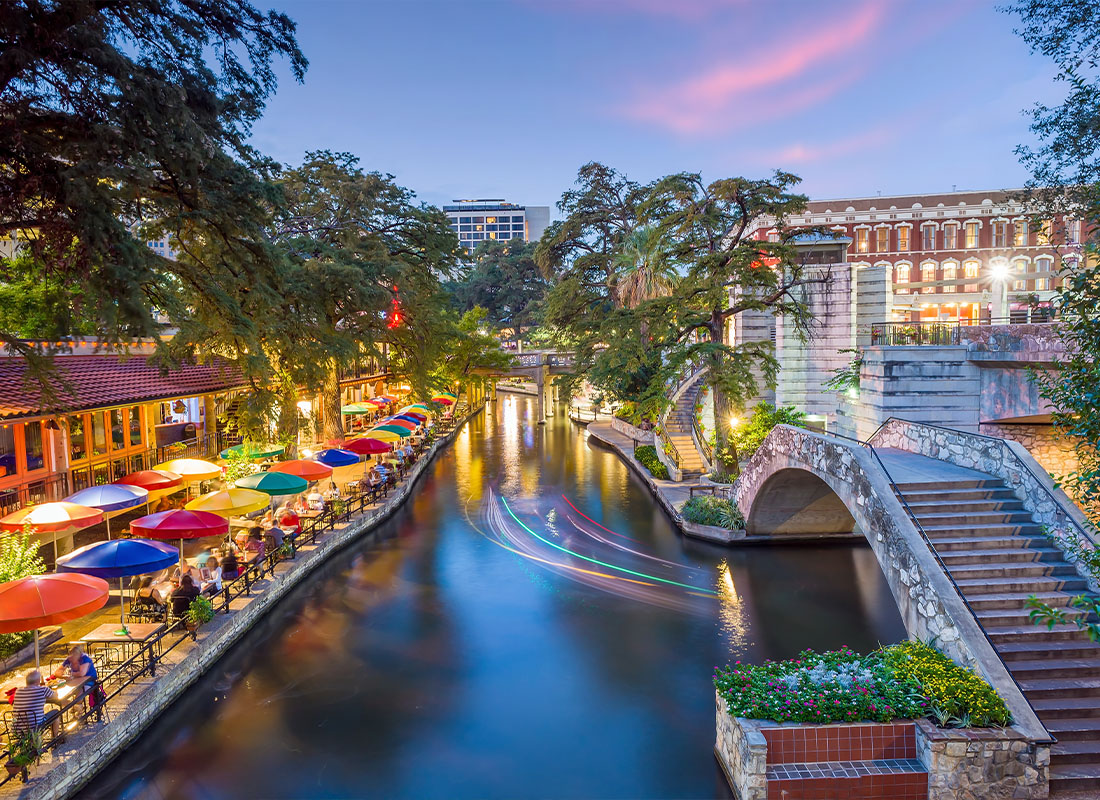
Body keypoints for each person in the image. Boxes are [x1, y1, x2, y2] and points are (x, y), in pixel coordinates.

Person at [12, 670, 61, 739]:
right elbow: (55, 696)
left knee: (31, 717)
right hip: (35, 727)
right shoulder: (43, 689)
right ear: (38, 681)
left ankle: (32, 743)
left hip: (18, 728)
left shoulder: (18, 691)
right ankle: (54, 739)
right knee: (56, 713)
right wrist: (54, 690)